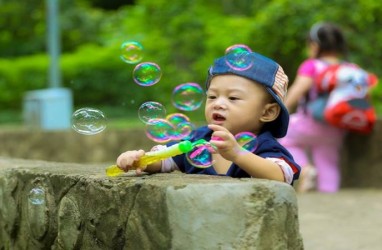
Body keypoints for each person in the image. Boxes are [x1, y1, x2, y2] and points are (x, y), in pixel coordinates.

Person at [116, 52, 301, 185]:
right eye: (212, 96)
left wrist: (238, 153)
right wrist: (140, 160)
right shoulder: (198, 140)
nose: (218, 104)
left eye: (233, 98)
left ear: (267, 112)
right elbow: (166, 161)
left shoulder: (265, 146)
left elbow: (280, 176)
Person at [279, 22, 348, 193]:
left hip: (309, 123)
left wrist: (281, 108)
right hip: (336, 128)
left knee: (284, 138)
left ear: (315, 45)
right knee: (328, 162)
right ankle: (329, 196)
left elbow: (298, 90)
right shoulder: (348, 68)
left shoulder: (312, 66)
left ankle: (304, 169)